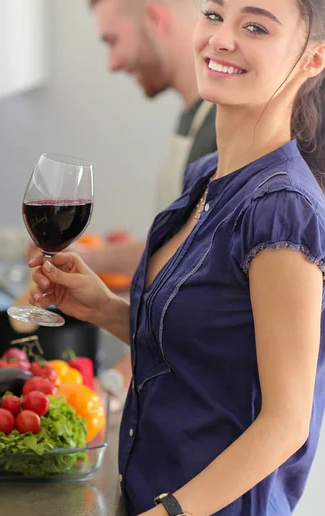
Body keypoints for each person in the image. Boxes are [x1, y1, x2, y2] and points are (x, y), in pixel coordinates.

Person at [29, 0, 325, 516]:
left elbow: (285, 423)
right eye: (213, 14)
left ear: (311, 60)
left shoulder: (283, 211)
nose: (221, 39)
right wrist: (102, 308)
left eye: (254, 27)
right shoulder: (207, 178)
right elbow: (209, 359)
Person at [85, 0, 218, 393]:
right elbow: (182, 243)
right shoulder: (194, 116)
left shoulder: (227, 129)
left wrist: (118, 379)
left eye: (113, 40)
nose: (110, 63)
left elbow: (204, 275)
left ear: (156, 18)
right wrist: (93, 261)